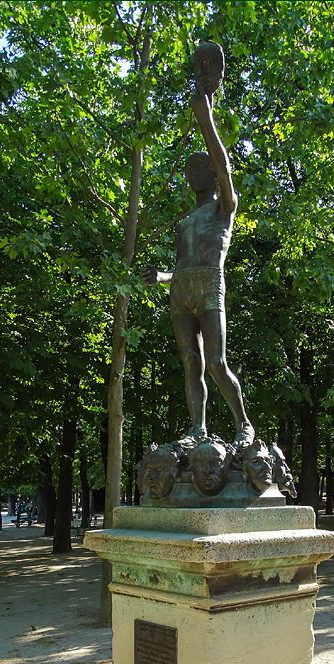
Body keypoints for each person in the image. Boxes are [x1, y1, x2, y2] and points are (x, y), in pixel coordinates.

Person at [140, 43, 254, 448]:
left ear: (211, 171)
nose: (191, 174)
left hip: (209, 284)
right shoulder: (186, 221)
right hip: (181, 287)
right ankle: (197, 429)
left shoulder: (225, 207)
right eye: (187, 170)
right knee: (190, 364)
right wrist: (161, 276)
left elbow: (222, 159)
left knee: (216, 362)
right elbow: (181, 262)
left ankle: (243, 424)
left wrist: (205, 114)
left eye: (197, 168)